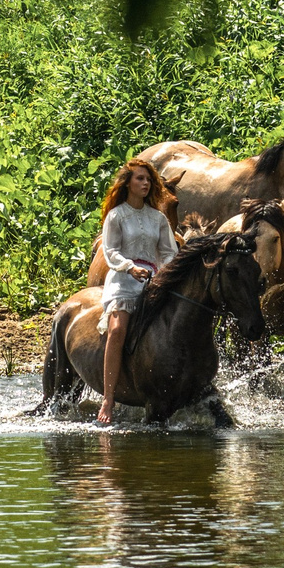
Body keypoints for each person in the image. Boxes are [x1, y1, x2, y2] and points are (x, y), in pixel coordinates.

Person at [95, 158, 178, 425]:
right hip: (123, 279)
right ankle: (108, 399)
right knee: (117, 330)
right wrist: (130, 268)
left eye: (148, 179)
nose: (145, 183)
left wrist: (161, 273)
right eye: (140, 179)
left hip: (154, 280)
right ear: (127, 183)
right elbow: (110, 251)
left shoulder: (158, 218)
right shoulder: (116, 215)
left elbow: (168, 252)